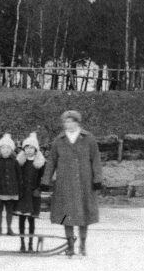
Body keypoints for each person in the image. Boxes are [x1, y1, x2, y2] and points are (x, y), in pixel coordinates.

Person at [40, 110, 102, 257]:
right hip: (65, 184)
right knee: (65, 215)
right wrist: (45, 180)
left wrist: (97, 179)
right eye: (66, 122)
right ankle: (70, 246)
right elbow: (51, 162)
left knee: (84, 214)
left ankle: (83, 245)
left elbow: (96, 160)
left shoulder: (89, 139)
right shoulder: (58, 141)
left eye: (72, 121)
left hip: (84, 183)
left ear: (77, 122)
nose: (69, 124)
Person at [15, 132, 46, 253]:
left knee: (31, 220)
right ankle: (22, 243)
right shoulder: (20, 162)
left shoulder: (40, 163)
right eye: (26, 147)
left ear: (36, 149)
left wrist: (40, 189)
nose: (29, 150)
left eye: (31, 147)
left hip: (33, 194)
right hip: (22, 194)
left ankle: (31, 243)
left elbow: (45, 178)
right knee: (22, 219)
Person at [0, 134, 20, 236]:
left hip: (12, 190)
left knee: (9, 210)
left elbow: (19, 176)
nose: (5, 150)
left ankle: (9, 228)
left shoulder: (15, 162)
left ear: (11, 149)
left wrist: (19, 189)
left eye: (8, 147)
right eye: (3, 147)